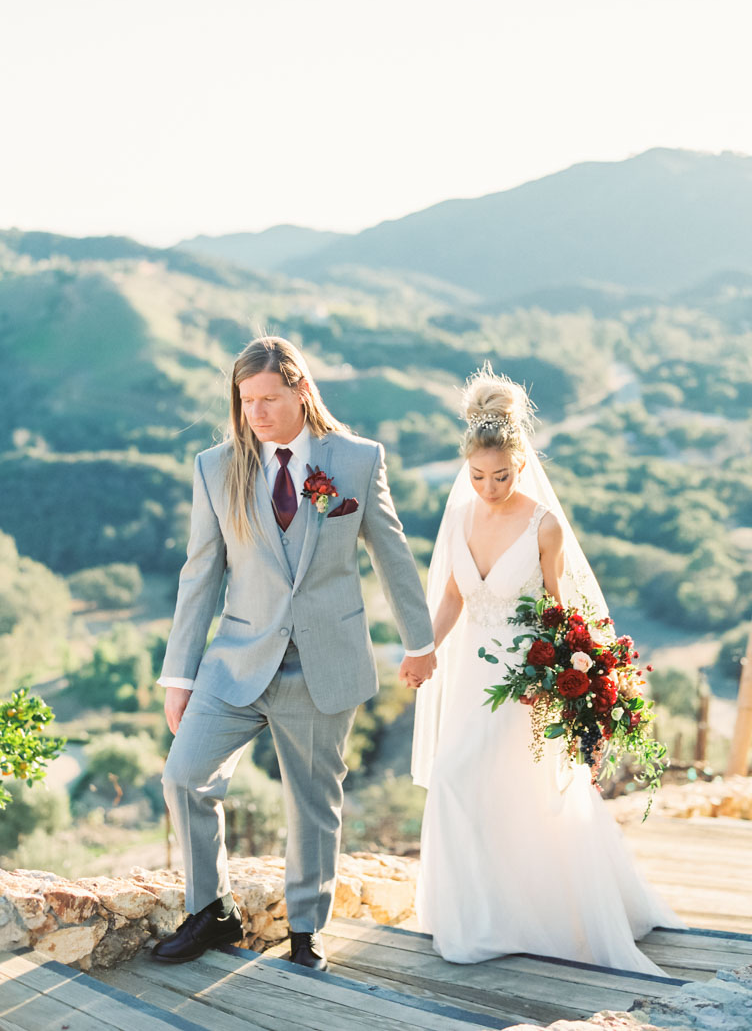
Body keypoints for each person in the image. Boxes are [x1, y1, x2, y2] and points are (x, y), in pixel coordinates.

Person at [152, 336, 435, 970]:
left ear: (300, 390)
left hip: (324, 664)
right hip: (235, 660)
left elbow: (391, 555)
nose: (255, 412)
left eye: (268, 398)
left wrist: (419, 643)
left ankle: (307, 930)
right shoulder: (216, 467)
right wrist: (179, 675)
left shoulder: (357, 460)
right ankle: (212, 912)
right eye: (246, 400)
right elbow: (200, 574)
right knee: (185, 777)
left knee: (311, 803)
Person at [411, 364, 682, 973]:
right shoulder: (459, 517)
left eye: (501, 475)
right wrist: (423, 650)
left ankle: (541, 916)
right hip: (469, 676)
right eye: (477, 475)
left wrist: (570, 684)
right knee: (465, 784)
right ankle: (479, 913)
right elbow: (453, 597)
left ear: (522, 463)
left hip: (523, 681)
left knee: (506, 789)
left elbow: (560, 611)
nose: (488, 486)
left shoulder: (545, 524)